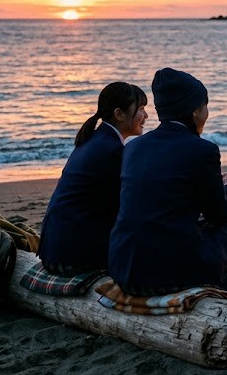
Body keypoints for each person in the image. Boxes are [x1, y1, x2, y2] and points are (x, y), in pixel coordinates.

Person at [108, 68, 227, 305]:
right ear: (195, 110)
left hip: (123, 268)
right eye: (206, 106)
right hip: (163, 276)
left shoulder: (134, 147)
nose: (207, 113)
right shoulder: (203, 150)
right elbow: (218, 215)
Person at [38, 82, 149, 275]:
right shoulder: (111, 149)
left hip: (55, 250)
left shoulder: (96, 140)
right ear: (119, 114)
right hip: (71, 258)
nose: (146, 116)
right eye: (141, 109)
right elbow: (127, 206)